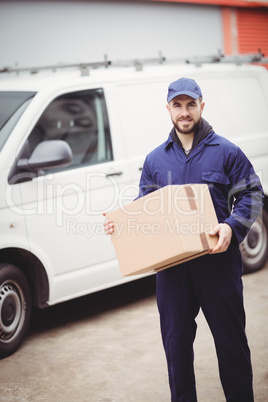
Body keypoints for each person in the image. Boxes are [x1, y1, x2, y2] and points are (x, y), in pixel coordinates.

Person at [104, 77, 264, 401]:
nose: (184, 111)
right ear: (168, 109)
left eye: (191, 104)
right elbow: (145, 210)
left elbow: (253, 193)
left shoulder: (227, 152)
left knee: (231, 346)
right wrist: (122, 225)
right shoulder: (155, 160)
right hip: (173, 271)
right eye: (177, 105)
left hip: (217, 265)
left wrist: (232, 226)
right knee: (176, 351)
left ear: (202, 106)